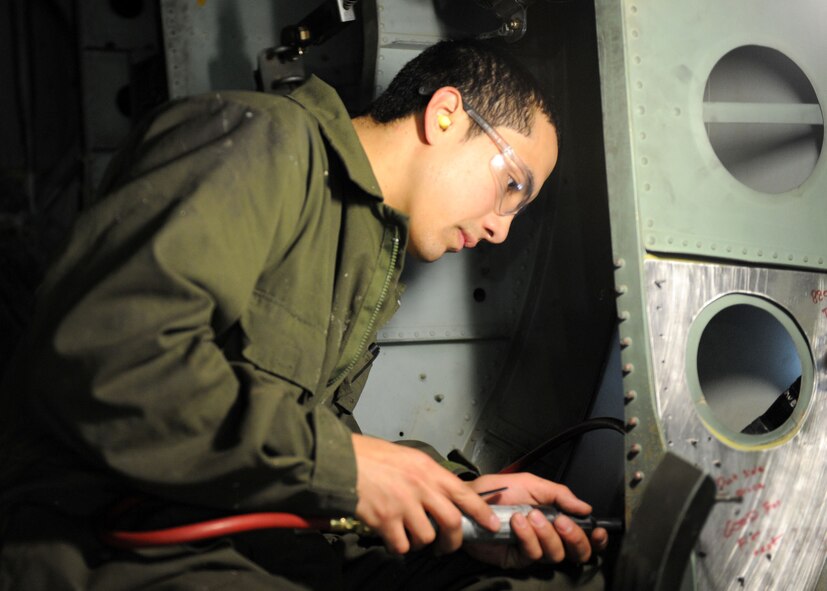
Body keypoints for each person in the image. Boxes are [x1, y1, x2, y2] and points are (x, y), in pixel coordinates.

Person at [0, 38, 607, 590]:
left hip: (239, 549)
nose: (503, 229)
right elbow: (112, 359)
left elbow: (302, 431)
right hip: (99, 550)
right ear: (445, 115)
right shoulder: (261, 140)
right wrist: (345, 466)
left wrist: (460, 498)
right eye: (511, 187)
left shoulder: (366, 248)